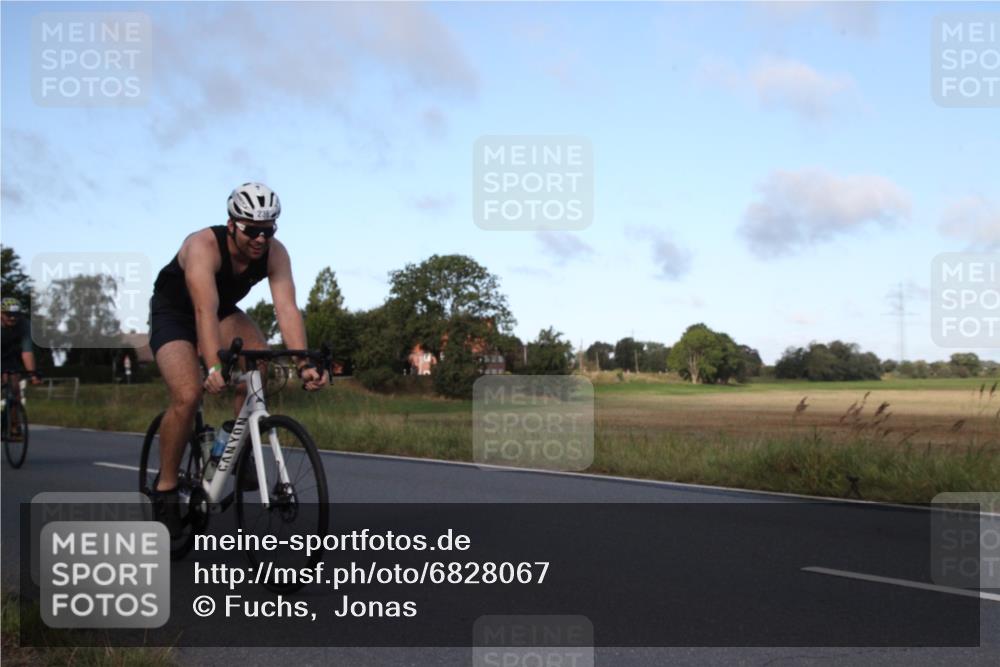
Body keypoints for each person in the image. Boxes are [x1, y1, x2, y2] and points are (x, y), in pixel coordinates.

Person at [148, 182, 328, 533]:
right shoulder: (203, 245)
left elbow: (287, 308)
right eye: (252, 230)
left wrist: (304, 363)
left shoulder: (275, 253)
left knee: (259, 363)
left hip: (221, 312)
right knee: (188, 396)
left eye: (269, 229)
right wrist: (214, 365)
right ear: (232, 224)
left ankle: (233, 443)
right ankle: (166, 487)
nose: (261, 239)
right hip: (175, 314)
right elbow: (204, 308)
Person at [1, 298, 42, 435]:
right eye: (8, 314)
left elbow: (27, 352)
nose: (12, 318)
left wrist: (32, 374)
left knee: (15, 389)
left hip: (8, 356)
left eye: (16, 315)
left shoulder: (24, 325)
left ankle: (14, 424)